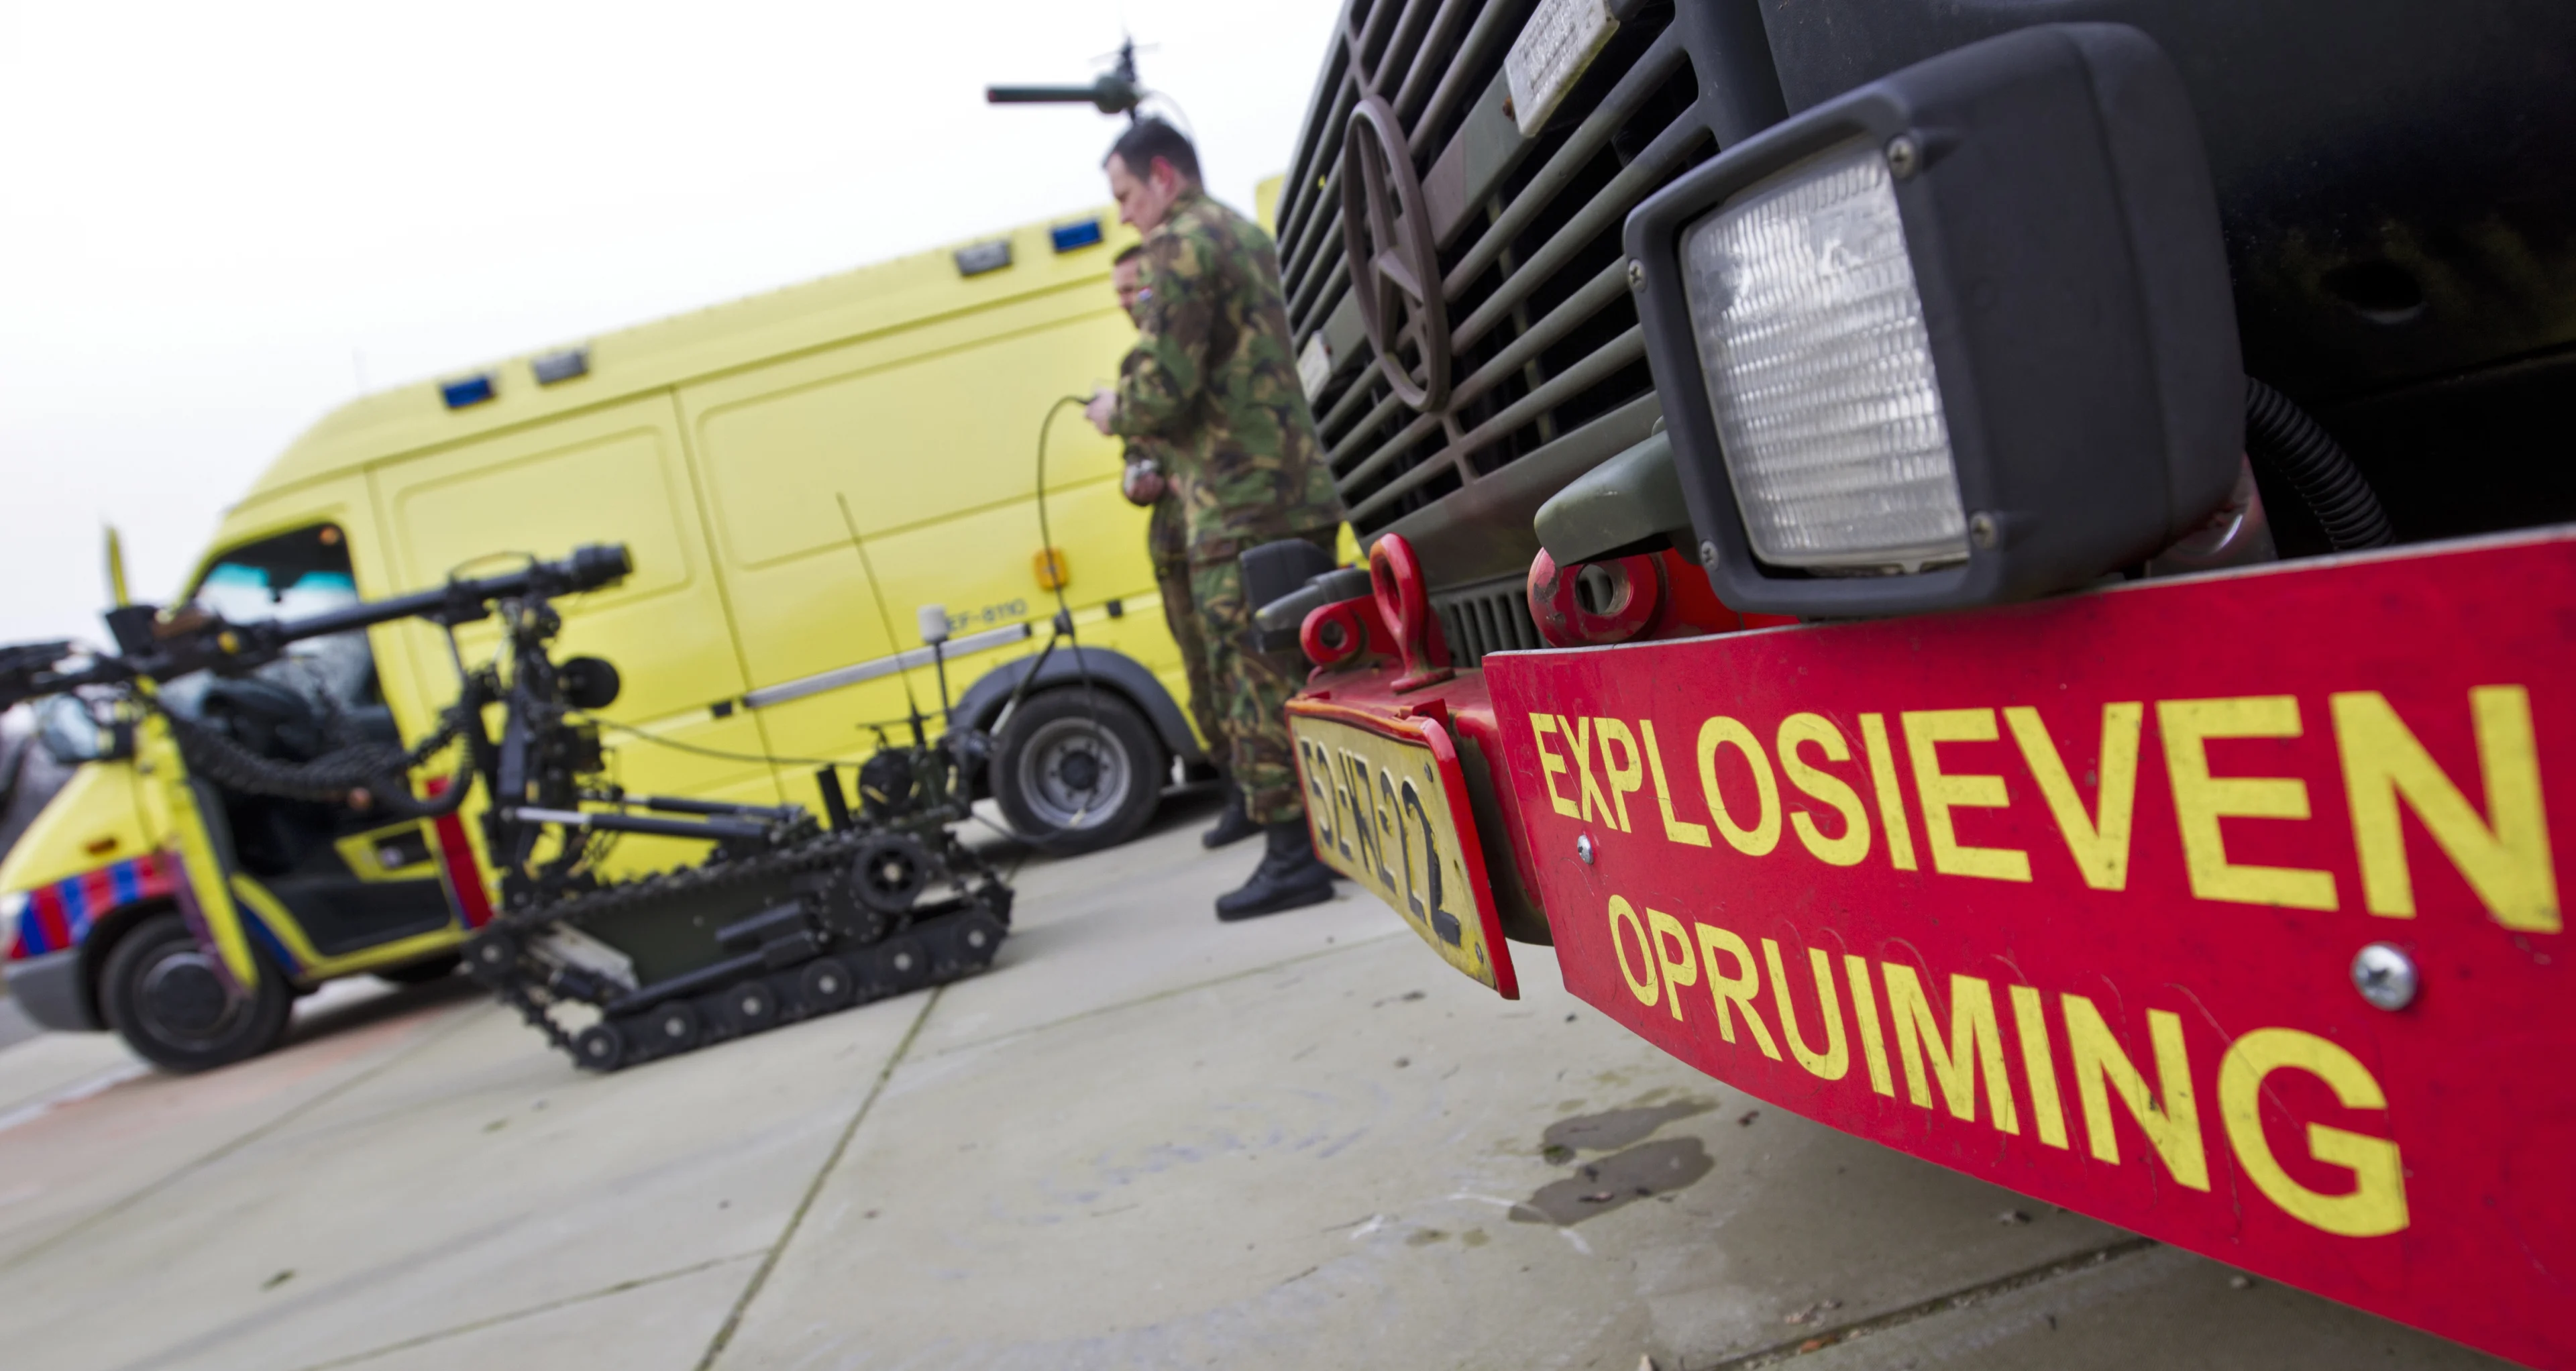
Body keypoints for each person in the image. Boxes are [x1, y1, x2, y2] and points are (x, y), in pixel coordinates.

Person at [1086, 118, 1346, 920]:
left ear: (1162, 175)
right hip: (1298, 483)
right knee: (1315, 665)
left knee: (1252, 675)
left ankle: (1292, 853)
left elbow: (1165, 387)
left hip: (1235, 500)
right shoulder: (1245, 233)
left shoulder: (1179, 245)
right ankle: (1340, 831)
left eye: (1126, 194)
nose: (1126, 215)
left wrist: (1114, 409)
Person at [1110, 245, 1256, 851]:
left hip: (1223, 530)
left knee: (1245, 668)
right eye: (1118, 293)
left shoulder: (1204, 344)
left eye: (1136, 288)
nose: (1127, 301)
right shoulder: (1135, 366)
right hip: (1177, 549)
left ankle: (1277, 798)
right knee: (1203, 679)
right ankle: (1238, 795)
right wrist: (1140, 479)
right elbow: (1136, 460)